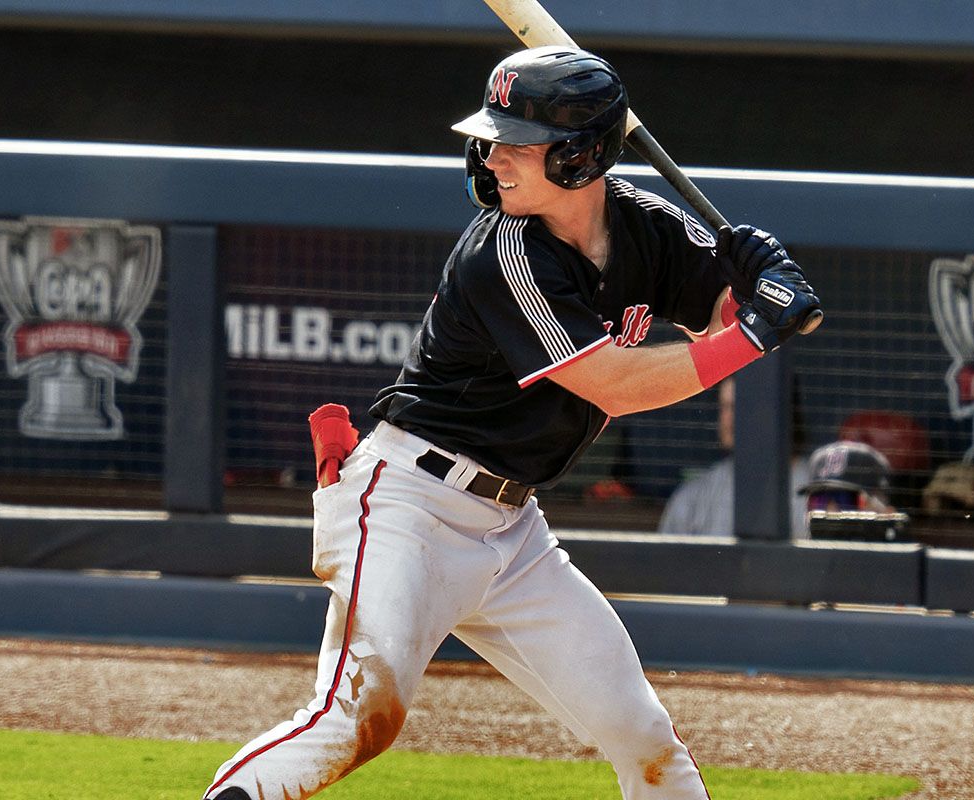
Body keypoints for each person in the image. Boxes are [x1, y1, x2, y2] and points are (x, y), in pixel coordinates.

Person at [202, 46, 820, 800]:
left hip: (514, 531)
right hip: (408, 507)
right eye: (490, 139)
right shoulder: (505, 250)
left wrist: (762, 288)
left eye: (516, 142)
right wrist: (757, 329)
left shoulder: (646, 226)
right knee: (355, 719)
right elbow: (614, 385)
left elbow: (722, 320)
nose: (493, 158)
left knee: (643, 736)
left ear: (582, 155)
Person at [658, 377, 810, 537]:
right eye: (725, 407)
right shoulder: (695, 499)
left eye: (742, 406)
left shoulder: (815, 497)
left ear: (776, 411)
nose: (730, 419)